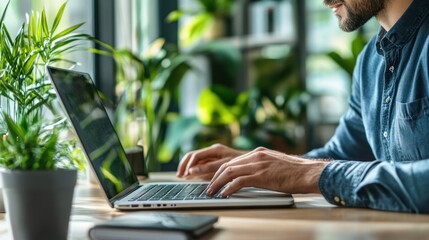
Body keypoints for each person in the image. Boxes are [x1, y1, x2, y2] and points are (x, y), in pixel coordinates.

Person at [177, 0, 429, 213]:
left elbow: (327, 170)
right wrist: (256, 166)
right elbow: (342, 153)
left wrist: (317, 174)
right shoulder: (369, 63)